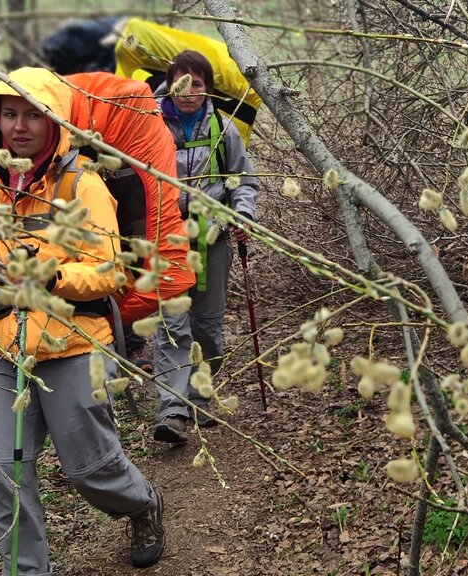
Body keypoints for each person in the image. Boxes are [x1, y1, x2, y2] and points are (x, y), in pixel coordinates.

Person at [0, 67, 165, 573]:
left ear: (54, 122)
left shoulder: (82, 184)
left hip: (75, 342)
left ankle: (142, 504)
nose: (20, 126)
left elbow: (112, 272)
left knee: (90, 469)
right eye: (10, 114)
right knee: (7, 473)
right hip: (9, 348)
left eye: (33, 114)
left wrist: (51, 278)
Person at [150, 50, 259, 443]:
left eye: (197, 84)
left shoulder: (223, 128)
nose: (189, 91)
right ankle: (173, 410)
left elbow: (243, 181)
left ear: (208, 88)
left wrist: (242, 215)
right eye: (182, 83)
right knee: (172, 324)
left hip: (213, 240)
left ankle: (199, 397)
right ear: (170, 82)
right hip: (167, 239)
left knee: (208, 327)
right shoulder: (151, 124)